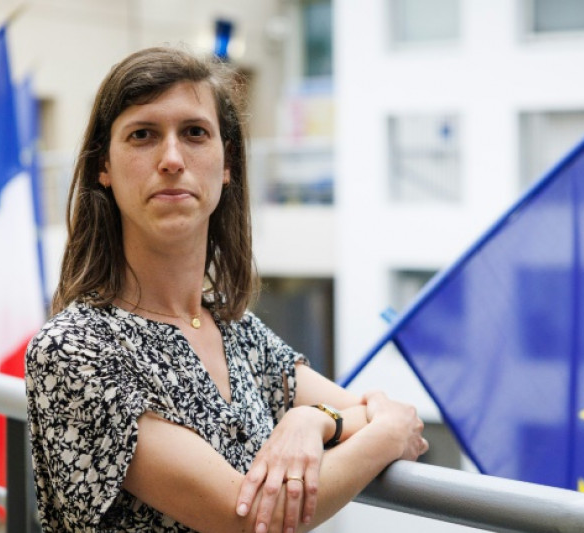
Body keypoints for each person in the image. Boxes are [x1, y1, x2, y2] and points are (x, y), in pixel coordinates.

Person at [25, 46, 428, 533]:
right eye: (143, 135)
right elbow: (250, 519)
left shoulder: (238, 333)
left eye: (194, 133)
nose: (172, 159)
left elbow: (373, 408)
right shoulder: (73, 349)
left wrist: (311, 422)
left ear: (227, 163)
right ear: (102, 168)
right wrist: (387, 437)